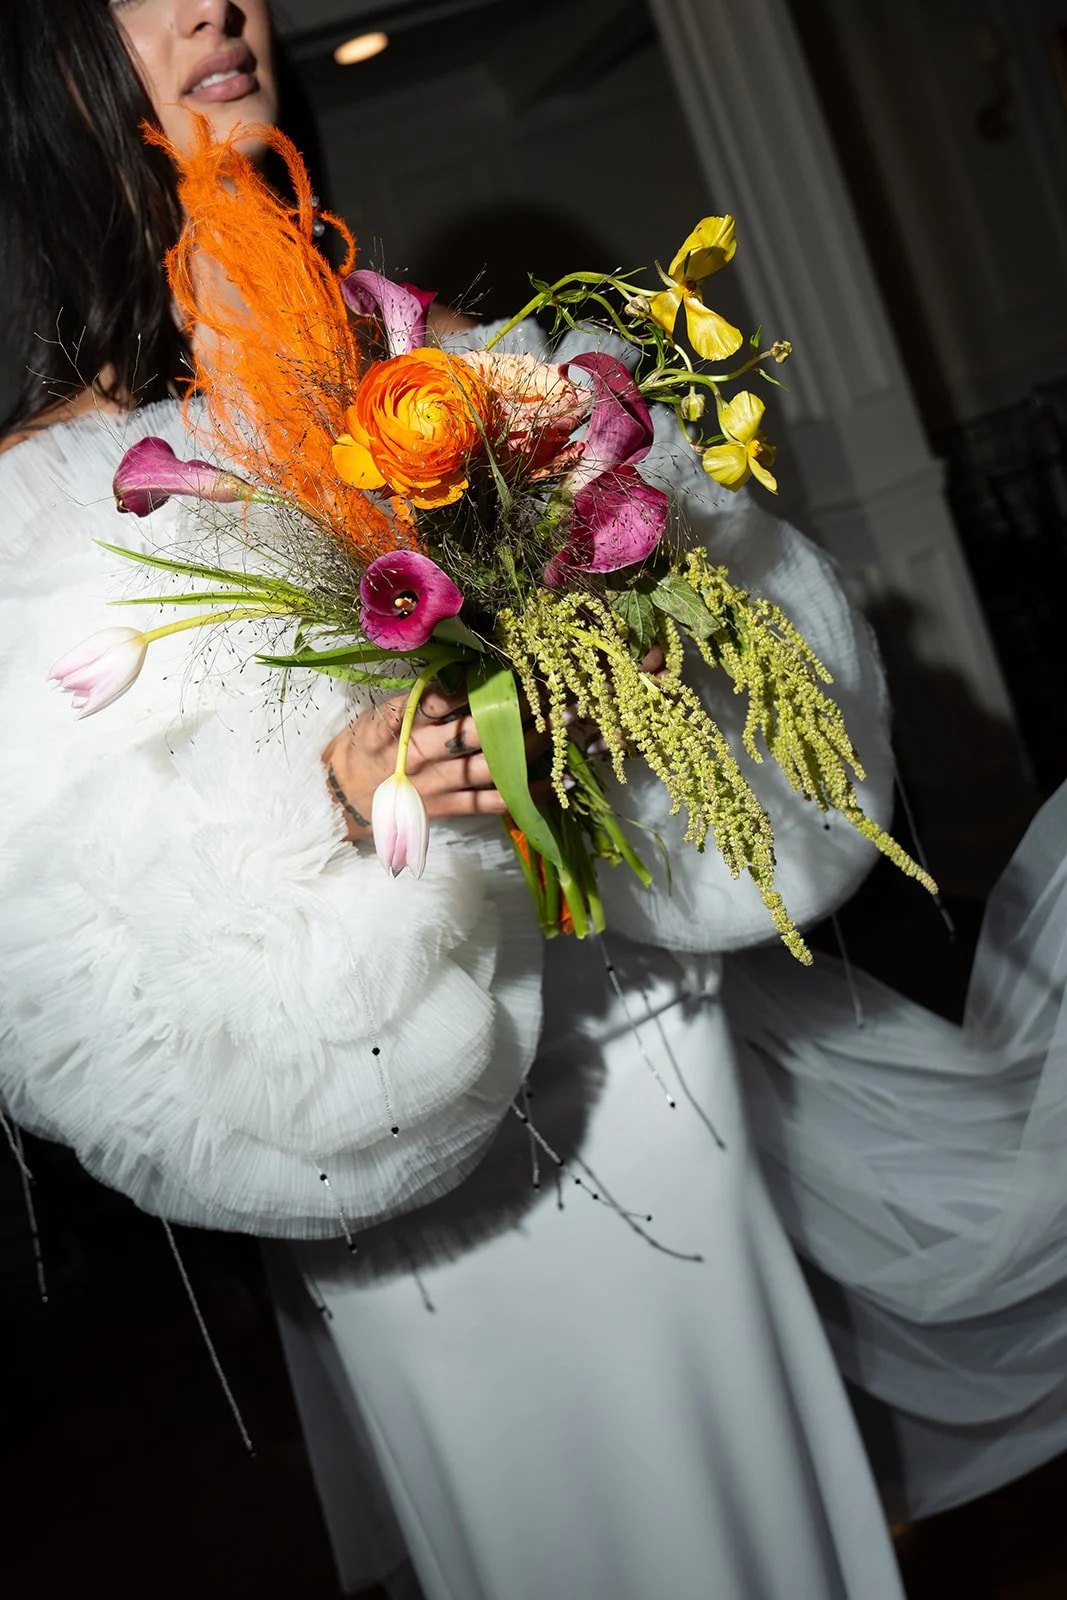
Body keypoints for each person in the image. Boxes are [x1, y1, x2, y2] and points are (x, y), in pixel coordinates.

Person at [1, 4, 1064, 1599]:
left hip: (666, 1076)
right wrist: (364, 825)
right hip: (435, 1204)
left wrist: (614, 666)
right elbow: (131, 984)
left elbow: (753, 724)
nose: (217, 3)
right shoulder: (53, 512)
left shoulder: (452, 373)